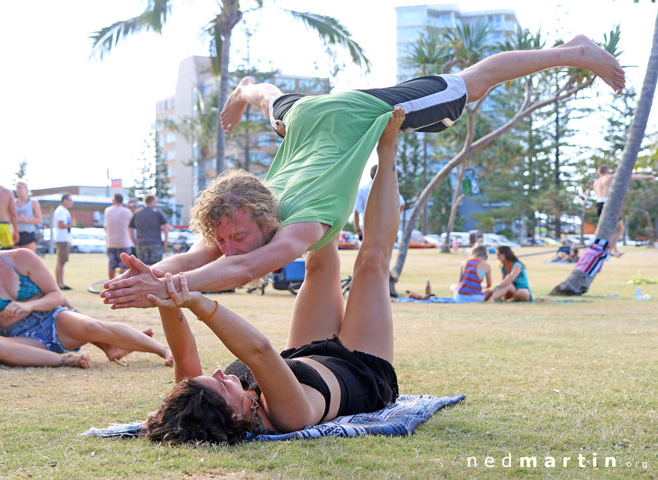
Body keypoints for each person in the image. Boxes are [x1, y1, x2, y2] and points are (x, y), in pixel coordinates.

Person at [102, 35, 626, 308]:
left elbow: (242, 271)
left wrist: (163, 289)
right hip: (306, 118)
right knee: (266, 98)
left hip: (357, 110)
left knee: (476, 81)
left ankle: (577, 51)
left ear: (262, 217)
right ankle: (242, 88)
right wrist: (150, 274)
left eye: (238, 235)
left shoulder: (302, 220)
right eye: (227, 237)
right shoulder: (245, 213)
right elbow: (208, 254)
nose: (233, 244)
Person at [143, 108, 403, 444]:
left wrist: (167, 297)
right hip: (361, 369)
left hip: (305, 355)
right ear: (234, 415)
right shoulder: (289, 416)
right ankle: (387, 150)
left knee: (318, 260)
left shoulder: (200, 399)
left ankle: (317, 152)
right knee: (371, 262)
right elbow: (261, 351)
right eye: (221, 384)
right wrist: (197, 301)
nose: (220, 373)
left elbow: (184, 356)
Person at [0, 216, 174, 368]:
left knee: (94, 326)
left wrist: (28, 305)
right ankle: (65, 360)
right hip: (24, 338)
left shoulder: (21, 257)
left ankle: (162, 349)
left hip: (54, 320)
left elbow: (56, 296)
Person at [593, 165, 656, 257]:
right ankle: (610, 250)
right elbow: (630, 176)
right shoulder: (609, 177)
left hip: (598, 205)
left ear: (599, 173)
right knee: (620, 228)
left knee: (607, 229)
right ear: (608, 172)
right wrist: (648, 177)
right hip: (609, 205)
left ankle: (614, 250)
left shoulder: (596, 182)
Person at [354, 165, 405, 241]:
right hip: (386, 228)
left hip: (368, 228)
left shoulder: (362, 190)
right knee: (385, 252)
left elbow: (356, 212)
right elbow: (402, 204)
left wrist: (358, 230)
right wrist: (391, 218)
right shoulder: (390, 189)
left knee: (368, 251)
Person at [129, 195, 169, 266]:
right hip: (156, 243)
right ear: (153, 201)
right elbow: (166, 226)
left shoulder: (137, 213)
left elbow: (130, 228)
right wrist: (165, 240)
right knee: (156, 267)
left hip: (141, 243)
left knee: (142, 267)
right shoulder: (158, 212)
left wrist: (134, 241)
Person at [104, 193, 133, 279]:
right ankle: (121, 284)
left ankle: (111, 284)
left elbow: (106, 226)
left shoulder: (107, 210)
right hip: (124, 242)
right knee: (124, 266)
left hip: (111, 242)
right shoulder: (127, 211)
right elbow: (131, 226)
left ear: (114, 200)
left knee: (111, 265)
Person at [52, 194, 73, 290]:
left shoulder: (64, 211)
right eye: (70, 200)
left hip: (64, 239)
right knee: (61, 262)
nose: (71, 202)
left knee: (61, 262)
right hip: (62, 239)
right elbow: (60, 225)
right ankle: (59, 284)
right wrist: (71, 225)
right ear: (65, 200)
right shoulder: (61, 211)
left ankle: (60, 283)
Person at [14, 181, 42, 253]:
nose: (18, 190)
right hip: (16, 234)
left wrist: (25, 220)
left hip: (28, 234)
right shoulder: (13, 204)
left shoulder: (33, 203)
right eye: (17, 188)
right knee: (16, 261)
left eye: (20, 188)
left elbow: (39, 219)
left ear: (26, 189)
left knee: (28, 260)